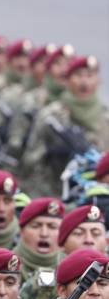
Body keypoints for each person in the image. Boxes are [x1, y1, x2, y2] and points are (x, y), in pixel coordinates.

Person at [24, 55, 109, 196]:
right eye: (78, 75)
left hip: (99, 194)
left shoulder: (106, 116)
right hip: (55, 192)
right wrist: (52, 156)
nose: (84, 82)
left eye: (90, 76)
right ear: (67, 81)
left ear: (98, 81)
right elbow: (29, 161)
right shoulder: (51, 116)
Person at [15, 198, 63, 299]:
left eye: (52, 227)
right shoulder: (6, 265)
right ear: (21, 231)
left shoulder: (71, 268)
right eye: (36, 226)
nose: (44, 233)